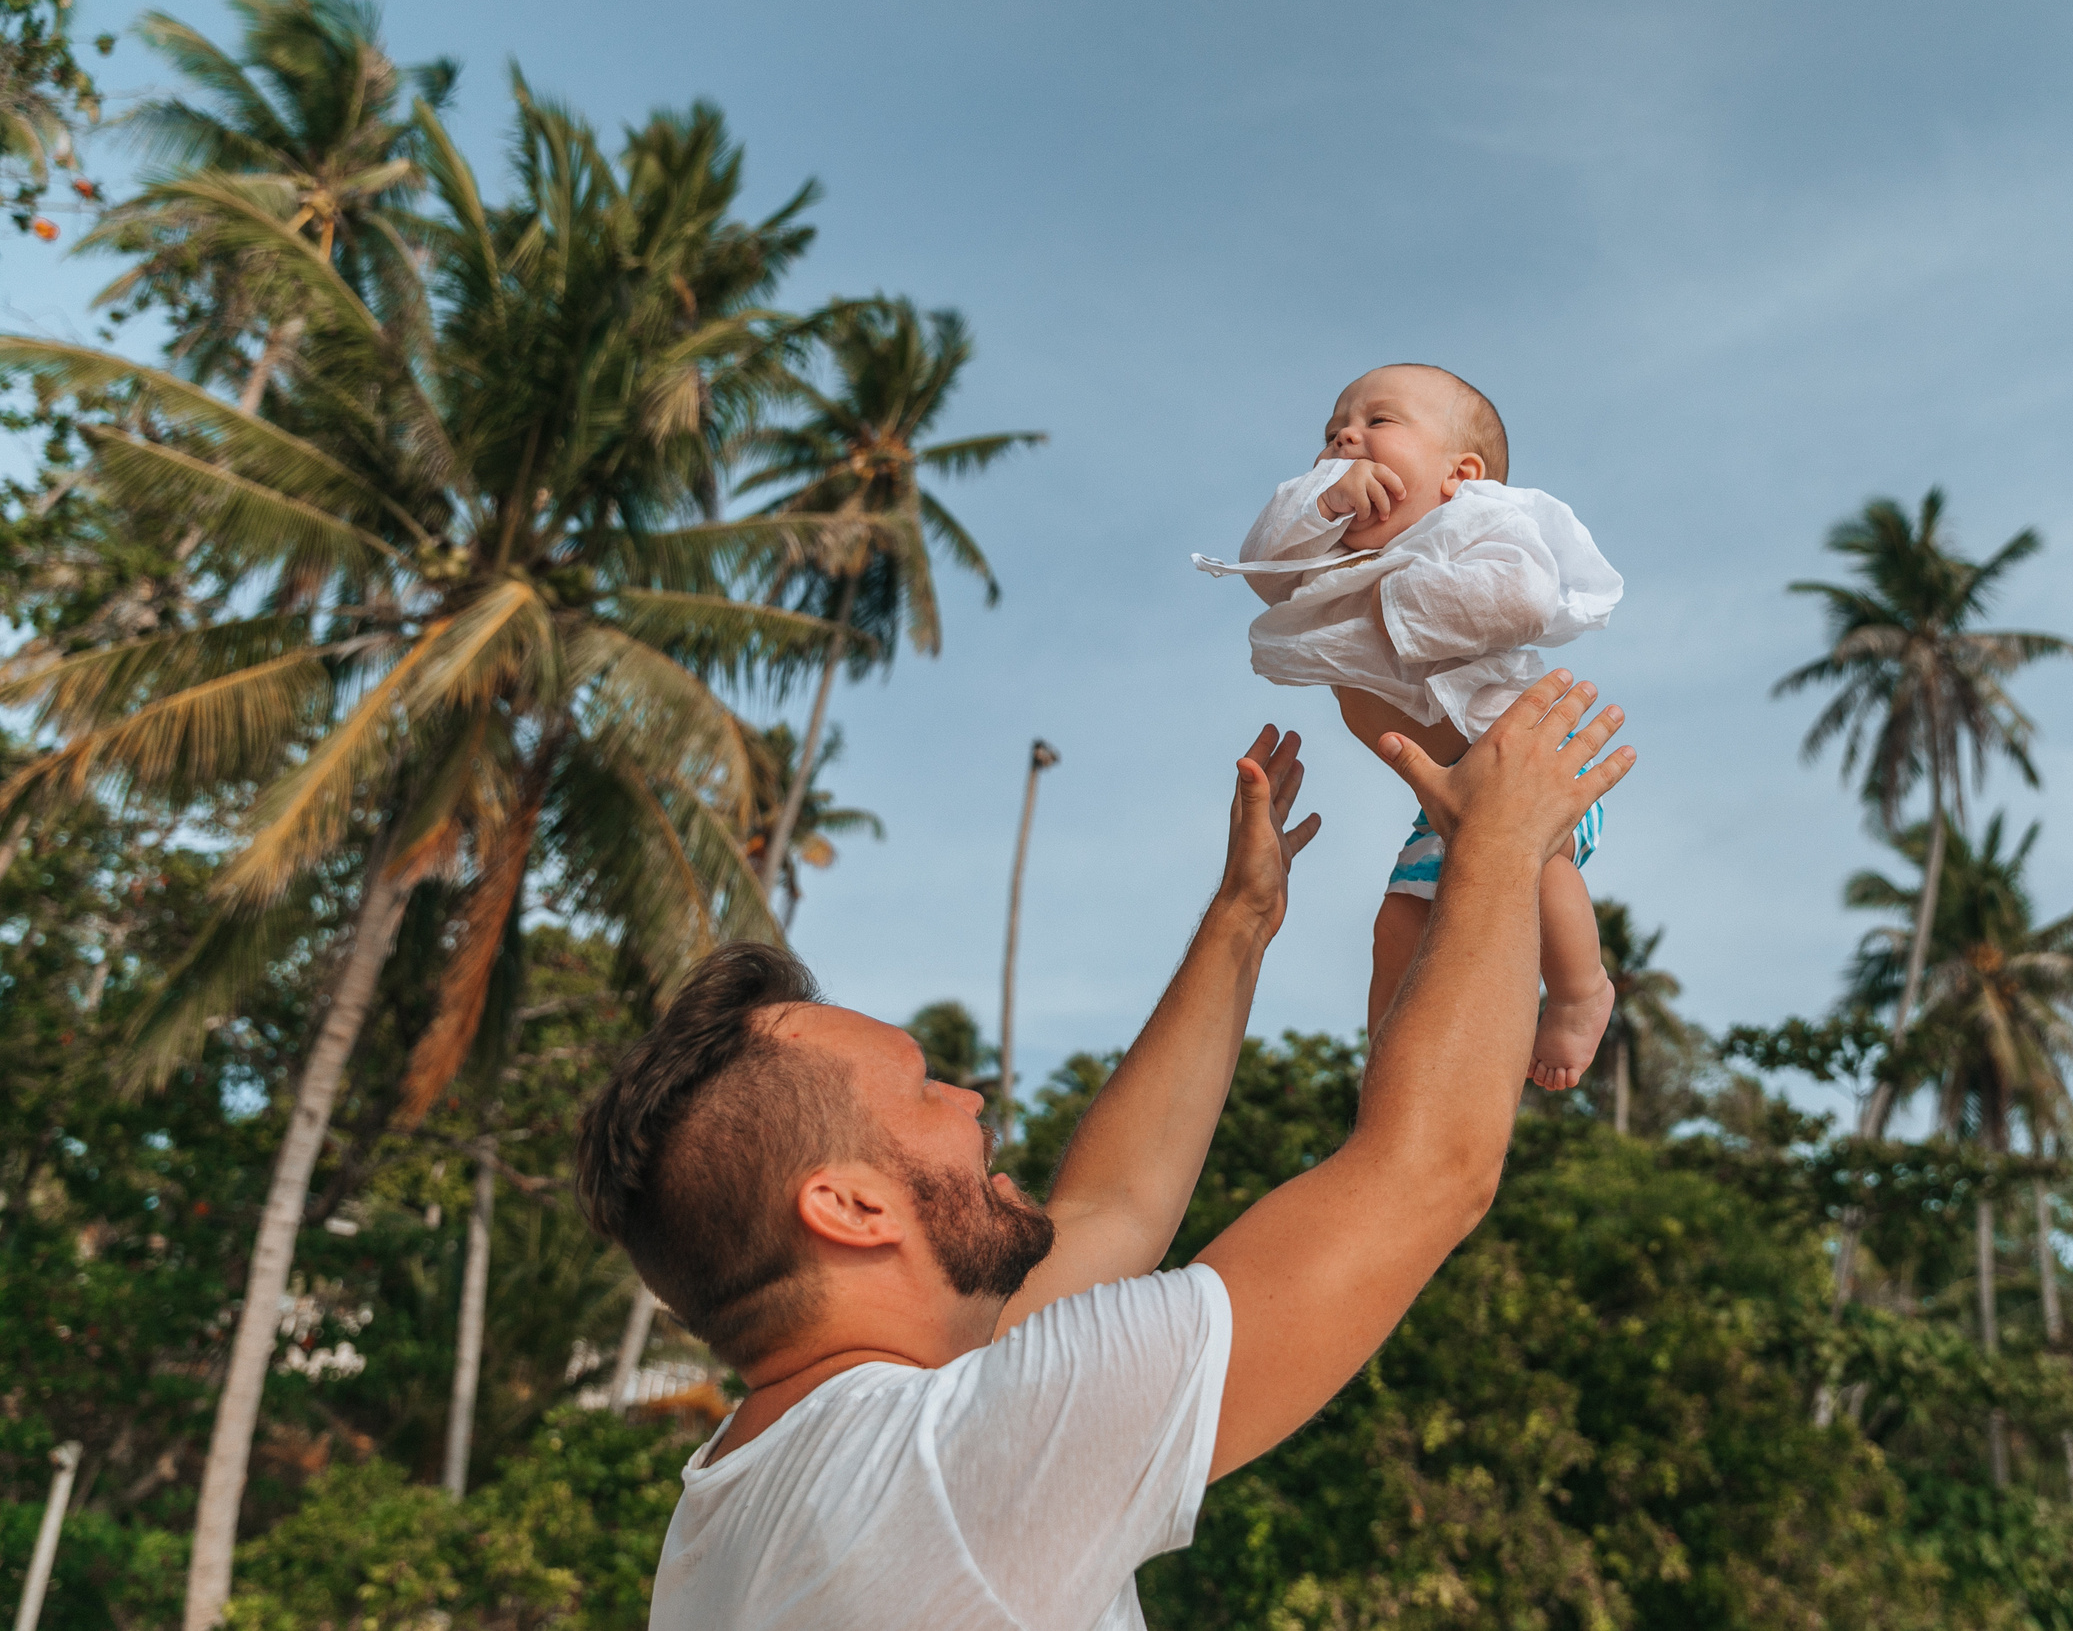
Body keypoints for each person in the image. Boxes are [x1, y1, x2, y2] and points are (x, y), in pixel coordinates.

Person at [573, 674, 1633, 1630]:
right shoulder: (954, 1466)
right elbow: (1427, 1173)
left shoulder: (747, 1497)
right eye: (922, 1090)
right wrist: (1499, 841)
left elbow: (1113, 1211)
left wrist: (1242, 922)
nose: (971, 1096)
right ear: (849, 1208)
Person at [1192, 364, 1625, 1088]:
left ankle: (1583, 992)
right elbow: (1265, 568)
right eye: (1333, 432)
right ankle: (1393, 1063)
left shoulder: (1475, 524)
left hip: (1532, 764)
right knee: (1397, 925)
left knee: (1541, 867)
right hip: (1446, 805)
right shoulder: (1333, 559)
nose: (1345, 435)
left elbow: (1523, 595)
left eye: (1378, 423)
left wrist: (1390, 602)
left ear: (1461, 474)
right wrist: (1322, 502)